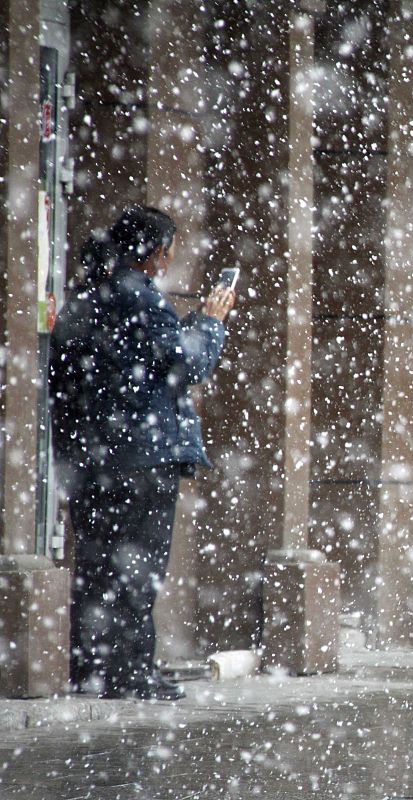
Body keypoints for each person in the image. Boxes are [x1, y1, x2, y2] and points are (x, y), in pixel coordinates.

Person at [50, 206, 236, 701]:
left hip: (92, 458)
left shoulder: (89, 293)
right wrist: (211, 323)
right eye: (171, 247)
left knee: (96, 566)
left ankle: (92, 668)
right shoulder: (137, 296)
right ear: (156, 252)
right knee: (137, 568)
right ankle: (130, 672)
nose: (173, 256)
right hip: (140, 458)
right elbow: (185, 363)